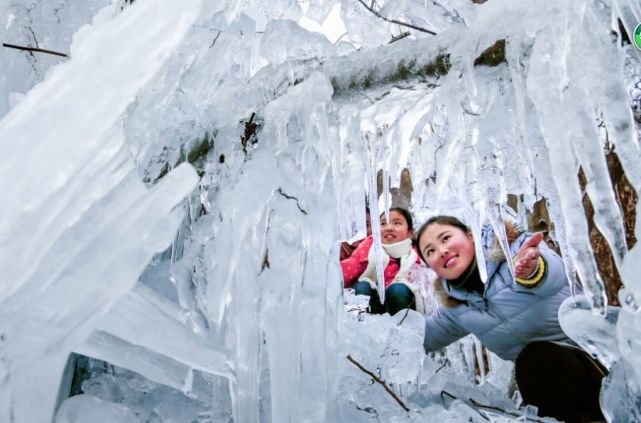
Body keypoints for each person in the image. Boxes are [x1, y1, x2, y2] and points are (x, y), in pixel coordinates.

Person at [416, 215, 607, 423]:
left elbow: (555, 276)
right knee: (534, 365)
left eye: (445, 239)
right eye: (430, 251)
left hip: (599, 363)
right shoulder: (455, 306)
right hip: (550, 386)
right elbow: (421, 338)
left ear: (471, 235)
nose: (442, 251)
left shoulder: (515, 250)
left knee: (536, 357)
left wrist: (531, 270)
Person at [341, 207, 424, 315]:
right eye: (383, 223)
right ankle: (358, 328)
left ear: (410, 232)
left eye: (397, 223)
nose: (389, 228)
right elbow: (350, 267)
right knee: (362, 286)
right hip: (373, 305)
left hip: (402, 304)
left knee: (398, 290)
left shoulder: (416, 252)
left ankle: (404, 329)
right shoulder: (369, 247)